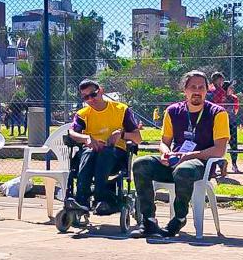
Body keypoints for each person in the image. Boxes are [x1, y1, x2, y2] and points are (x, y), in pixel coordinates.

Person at [131, 70, 230, 238]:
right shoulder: (172, 111)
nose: (197, 91)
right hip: (174, 161)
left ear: (207, 90)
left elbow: (219, 150)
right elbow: (164, 142)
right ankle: (148, 221)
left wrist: (188, 156)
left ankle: (179, 218)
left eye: (201, 87)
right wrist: (166, 153)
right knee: (140, 164)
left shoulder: (218, 113)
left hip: (200, 165)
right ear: (184, 90)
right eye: (192, 87)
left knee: (184, 169)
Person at [66, 80, 142, 215]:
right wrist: (87, 138)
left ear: (101, 91)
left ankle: (103, 198)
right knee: (88, 153)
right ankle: (81, 200)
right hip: (91, 153)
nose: (90, 99)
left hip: (115, 156)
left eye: (93, 95)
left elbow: (138, 138)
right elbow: (72, 132)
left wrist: (121, 134)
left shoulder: (121, 110)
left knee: (105, 152)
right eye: (85, 97)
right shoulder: (83, 114)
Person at [223, 80, 240, 174]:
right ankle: (220, 164)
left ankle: (234, 163)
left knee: (233, 143)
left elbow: (236, 110)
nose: (232, 89)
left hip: (231, 122)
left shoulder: (234, 98)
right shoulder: (221, 97)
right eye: (230, 87)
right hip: (222, 123)